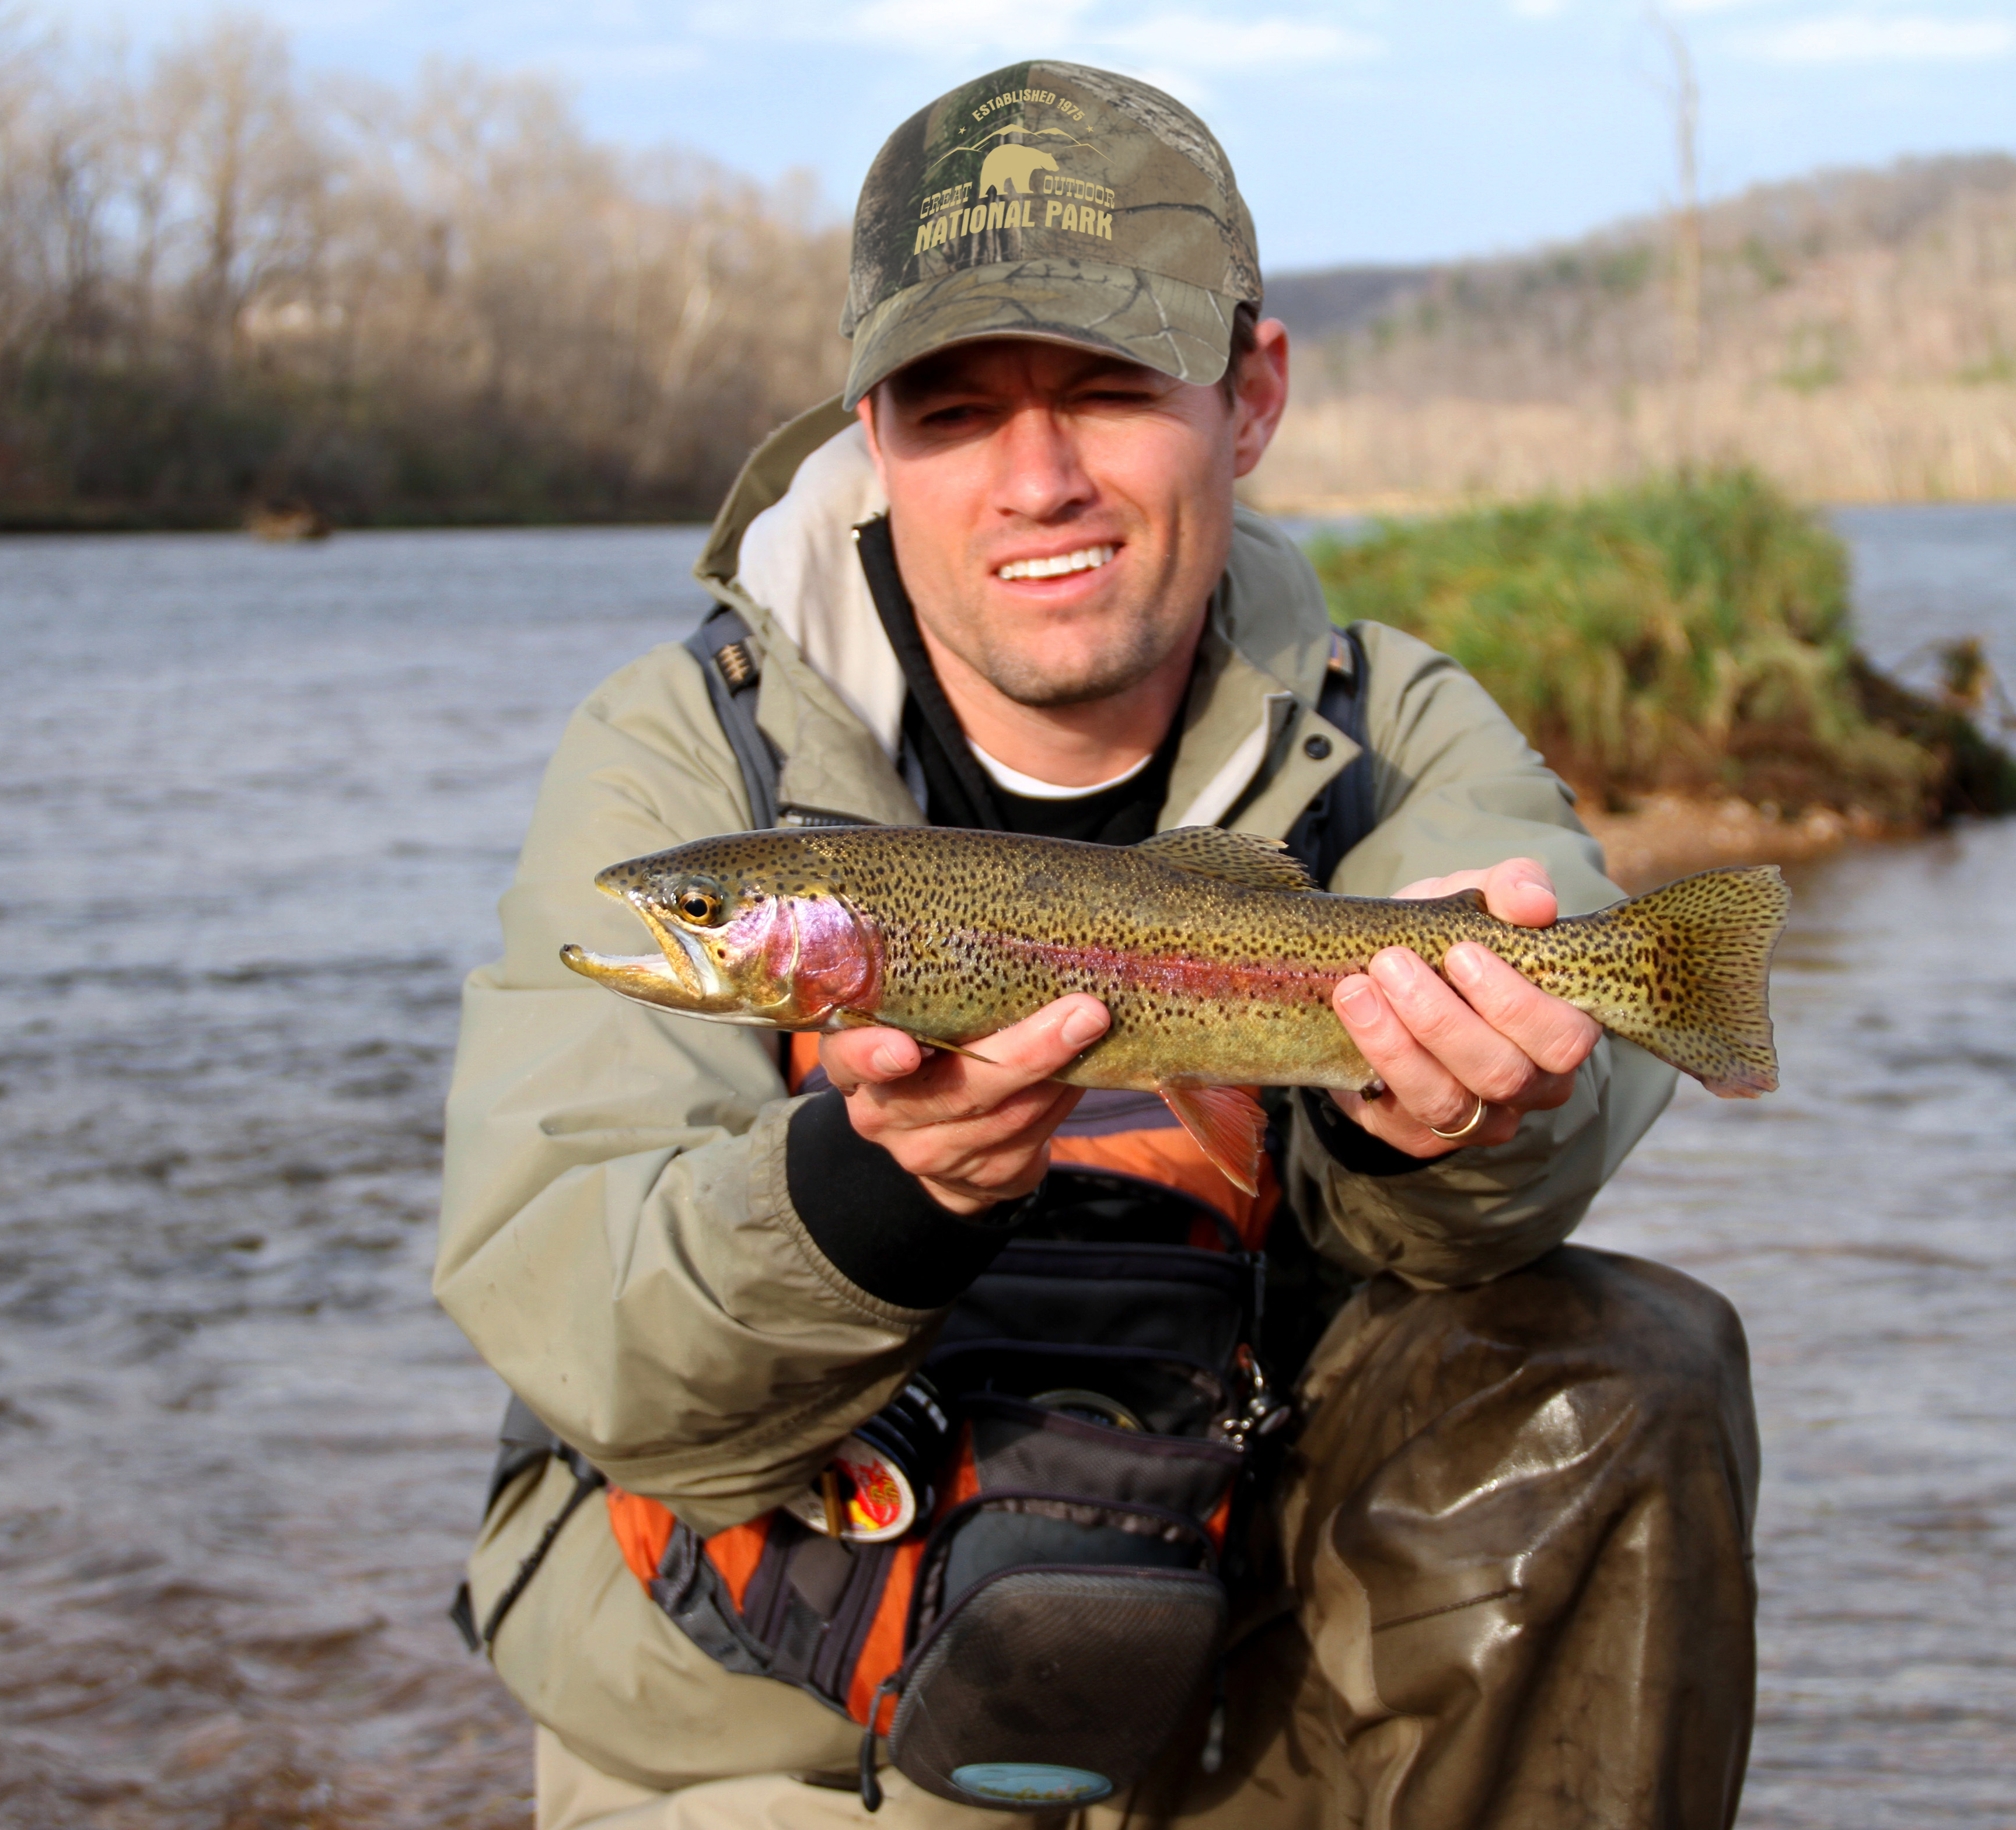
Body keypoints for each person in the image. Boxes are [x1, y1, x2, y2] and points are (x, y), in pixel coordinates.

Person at [435, 60, 1758, 1830]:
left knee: (1625, 1360)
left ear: (1252, 394)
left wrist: (1446, 1124)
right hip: (769, 1718)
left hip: (1242, 1644)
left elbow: (1541, 1097)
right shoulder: (686, 756)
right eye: (958, 407)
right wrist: (861, 1192)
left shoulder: (1396, 731)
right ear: (871, 433)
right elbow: (585, 1325)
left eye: (1109, 389)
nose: (1038, 475)